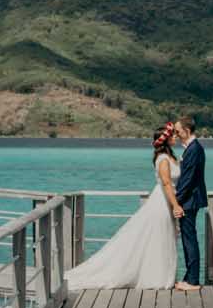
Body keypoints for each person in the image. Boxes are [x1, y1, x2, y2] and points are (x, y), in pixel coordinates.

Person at [64, 121, 183, 290]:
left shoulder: (171, 156)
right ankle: (156, 278)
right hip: (162, 202)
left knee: (162, 238)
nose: (176, 137)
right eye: (173, 135)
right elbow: (166, 184)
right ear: (166, 139)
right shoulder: (163, 159)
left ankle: (162, 275)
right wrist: (176, 205)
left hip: (166, 201)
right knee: (159, 238)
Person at [171, 113, 208, 291]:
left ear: (187, 130)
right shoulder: (192, 148)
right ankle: (189, 277)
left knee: (190, 240)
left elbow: (188, 180)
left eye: (178, 132)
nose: (176, 135)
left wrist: (175, 202)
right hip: (189, 200)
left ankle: (193, 280)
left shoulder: (194, 149)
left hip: (189, 201)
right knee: (188, 239)